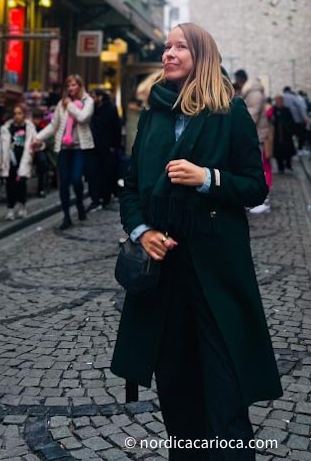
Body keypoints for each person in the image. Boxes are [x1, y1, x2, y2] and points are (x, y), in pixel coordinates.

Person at [111, 23, 282, 459]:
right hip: (163, 275)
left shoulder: (231, 112)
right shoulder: (153, 114)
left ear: (201, 55)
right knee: (177, 388)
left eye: (179, 47)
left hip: (215, 273)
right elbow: (130, 189)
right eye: (166, 47)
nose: (168, 53)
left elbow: (254, 186)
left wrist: (208, 178)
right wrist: (142, 231)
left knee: (226, 390)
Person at [33, 73, 94, 230]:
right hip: (63, 149)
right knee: (64, 183)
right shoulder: (62, 104)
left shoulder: (88, 101)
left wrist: (70, 105)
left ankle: (80, 203)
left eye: (74, 85)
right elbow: (54, 126)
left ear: (80, 86)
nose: (71, 88)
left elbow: (82, 117)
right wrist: (38, 138)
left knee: (76, 179)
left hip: (80, 148)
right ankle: (66, 216)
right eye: (68, 85)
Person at [234, 69, 272, 213]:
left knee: (260, 167)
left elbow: (252, 115)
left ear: (240, 79)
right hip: (255, 134)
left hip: (258, 134)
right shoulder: (250, 91)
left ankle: (263, 200)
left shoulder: (254, 92)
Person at [0, 103, 36, 220]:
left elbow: (36, 142)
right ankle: (10, 209)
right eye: (15, 113)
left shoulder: (29, 127)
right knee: (10, 185)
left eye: (19, 113)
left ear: (24, 114)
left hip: (24, 159)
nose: (17, 116)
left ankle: (22, 206)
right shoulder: (6, 128)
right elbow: (0, 146)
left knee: (21, 184)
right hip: (10, 161)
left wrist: (36, 148)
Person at [88, 89, 123, 209]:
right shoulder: (92, 108)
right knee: (94, 173)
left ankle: (105, 197)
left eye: (94, 96)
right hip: (94, 146)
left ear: (100, 97)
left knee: (106, 173)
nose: (92, 99)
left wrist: (115, 145)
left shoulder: (110, 109)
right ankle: (96, 198)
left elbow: (115, 128)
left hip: (107, 146)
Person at [272, 94, 295, 173]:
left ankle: (288, 165)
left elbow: (291, 121)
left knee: (288, 151)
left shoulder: (286, 110)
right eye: (277, 101)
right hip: (277, 134)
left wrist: (289, 129)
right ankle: (280, 167)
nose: (279, 102)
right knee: (278, 152)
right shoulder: (273, 110)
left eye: (280, 101)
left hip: (286, 134)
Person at [282, 86, 309, 152]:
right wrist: (305, 117)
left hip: (286, 121)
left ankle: (290, 149)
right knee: (301, 134)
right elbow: (301, 107)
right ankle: (300, 149)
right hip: (297, 119)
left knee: (289, 135)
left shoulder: (282, 97)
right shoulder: (293, 97)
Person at [30, 108, 49, 197]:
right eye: (34, 119)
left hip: (39, 150)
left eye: (38, 119)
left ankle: (41, 188)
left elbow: (47, 141)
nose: (36, 121)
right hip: (29, 150)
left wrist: (41, 145)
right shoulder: (29, 127)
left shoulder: (44, 127)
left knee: (42, 161)